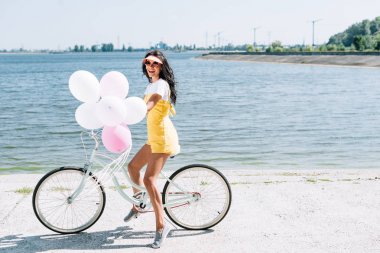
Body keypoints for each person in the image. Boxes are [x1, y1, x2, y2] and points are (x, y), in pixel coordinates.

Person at [124, 50, 180, 249]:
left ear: (161, 66)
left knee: (149, 180)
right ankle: (139, 205)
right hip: (153, 138)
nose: (151, 66)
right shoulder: (150, 84)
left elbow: (149, 105)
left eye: (155, 63)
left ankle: (161, 227)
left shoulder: (161, 85)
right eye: (147, 63)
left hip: (163, 138)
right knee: (132, 167)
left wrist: (130, 111)